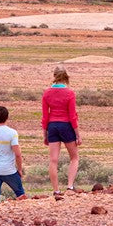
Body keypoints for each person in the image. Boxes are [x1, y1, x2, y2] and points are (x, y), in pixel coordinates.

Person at [41, 65, 81, 195]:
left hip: (52, 126)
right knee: (74, 157)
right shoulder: (70, 93)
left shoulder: (47, 93)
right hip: (66, 126)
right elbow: (72, 116)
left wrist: (45, 134)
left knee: (53, 160)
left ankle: (56, 190)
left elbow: (45, 116)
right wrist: (77, 135)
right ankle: (70, 187)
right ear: (66, 77)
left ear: (54, 76)